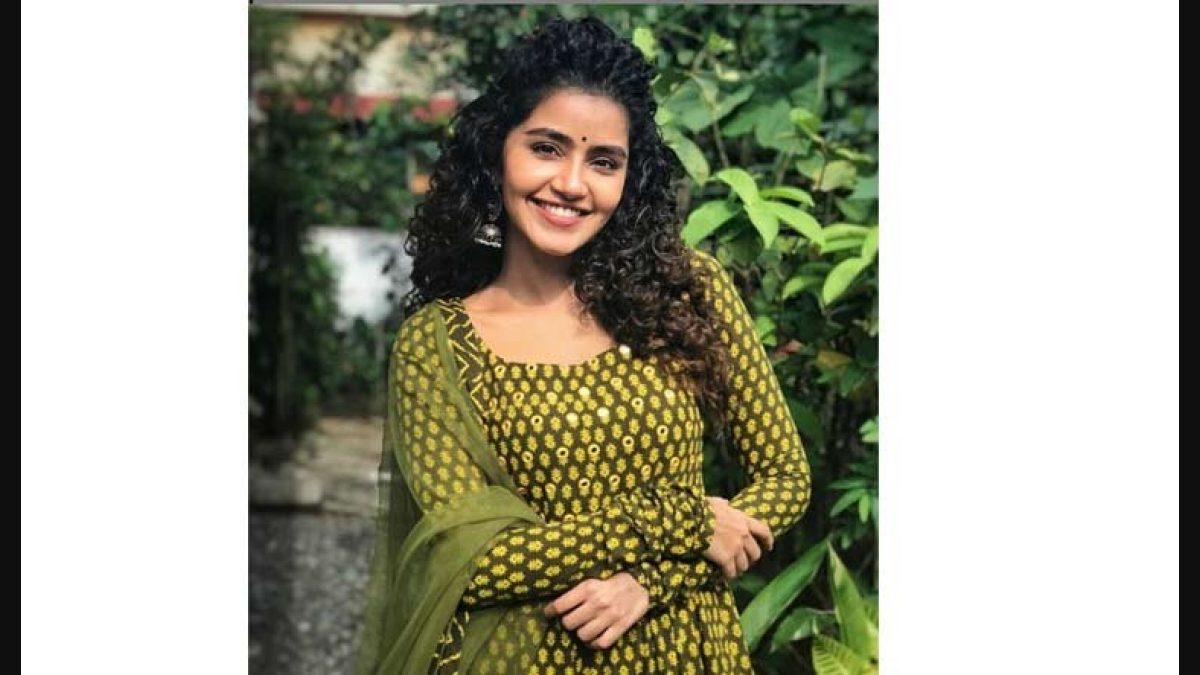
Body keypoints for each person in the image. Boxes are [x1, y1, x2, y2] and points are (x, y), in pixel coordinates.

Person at [357, 16, 811, 674]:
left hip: (688, 652)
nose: (572, 183)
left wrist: (651, 582)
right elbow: (469, 563)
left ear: (630, 179)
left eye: (604, 162)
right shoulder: (439, 344)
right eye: (546, 148)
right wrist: (675, 520)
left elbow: (785, 479)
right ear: (496, 153)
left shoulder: (688, 291)